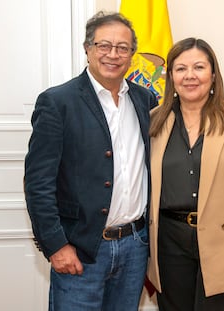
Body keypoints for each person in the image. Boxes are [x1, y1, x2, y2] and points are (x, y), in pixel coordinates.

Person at [24, 11, 158, 311]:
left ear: (132, 55)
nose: (113, 54)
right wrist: (56, 245)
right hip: (81, 250)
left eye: (122, 48)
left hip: (135, 248)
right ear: (88, 48)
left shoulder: (145, 100)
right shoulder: (58, 102)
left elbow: (188, 114)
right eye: (104, 45)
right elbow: (38, 184)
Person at [147, 38, 224, 311]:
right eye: (180, 69)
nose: (190, 76)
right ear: (171, 77)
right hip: (169, 246)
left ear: (213, 75)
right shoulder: (154, 120)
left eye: (199, 67)